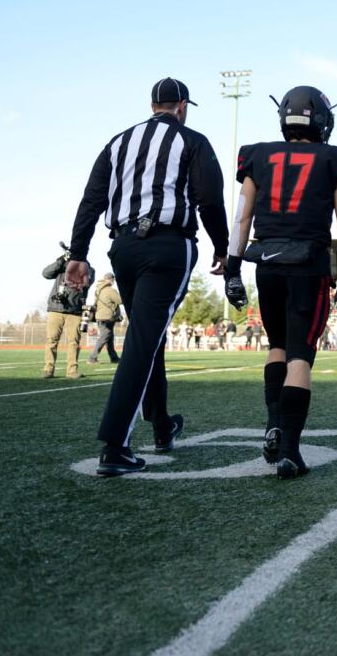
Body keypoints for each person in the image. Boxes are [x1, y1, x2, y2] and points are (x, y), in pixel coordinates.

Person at [64, 77, 229, 477]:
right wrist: (223, 248)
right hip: (167, 246)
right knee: (143, 338)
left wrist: (79, 253)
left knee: (146, 333)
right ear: (183, 105)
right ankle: (115, 444)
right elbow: (209, 198)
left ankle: (160, 424)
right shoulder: (192, 141)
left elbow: (92, 199)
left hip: (122, 247)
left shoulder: (118, 142)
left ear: (153, 105)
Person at [222, 86, 337, 479]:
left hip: (265, 260)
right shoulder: (334, 159)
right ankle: (290, 451)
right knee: (301, 355)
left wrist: (233, 268)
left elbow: (241, 217)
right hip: (307, 262)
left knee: (276, 346)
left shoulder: (257, 155)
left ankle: (273, 425)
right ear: (322, 121)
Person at [41, 246, 93, 379]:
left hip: (74, 310)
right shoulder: (62, 266)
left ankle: (72, 371)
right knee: (51, 340)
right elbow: (46, 273)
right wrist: (61, 260)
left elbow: (86, 282)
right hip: (56, 308)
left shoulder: (88, 268)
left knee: (73, 342)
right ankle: (48, 369)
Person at [87, 273, 123, 364]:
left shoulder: (99, 289)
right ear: (111, 279)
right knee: (105, 336)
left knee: (109, 337)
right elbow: (121, 300)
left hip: (100, 317)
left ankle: (113, 358)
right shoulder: (110, 290)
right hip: (107, 317)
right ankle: (92, 358)